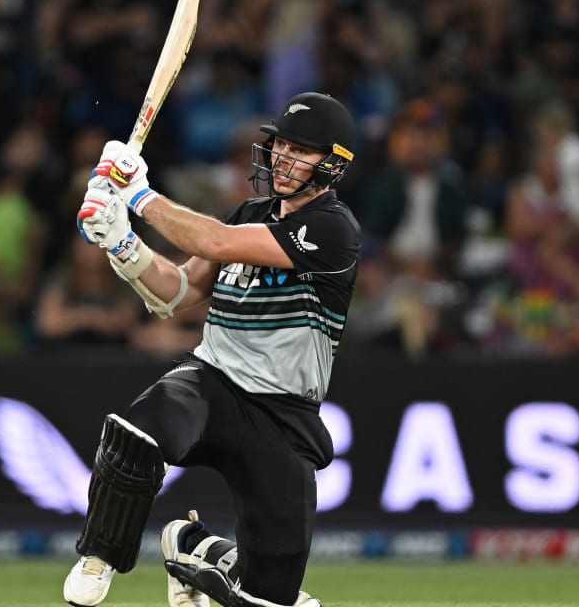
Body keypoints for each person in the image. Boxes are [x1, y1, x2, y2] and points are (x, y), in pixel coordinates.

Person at [64, 92, 361, 607]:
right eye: (281, 145)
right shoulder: (250, 211)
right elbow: (175, 293)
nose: (283, 159)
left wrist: (138, 196)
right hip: (213, 382)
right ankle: (100, 554)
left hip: (284, 417)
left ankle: (192, 549)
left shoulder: (334, 229)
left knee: (272, 598)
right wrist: (121, 244)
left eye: (302, 150)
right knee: (140, 432)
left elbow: (219, 244)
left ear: (332, 165)